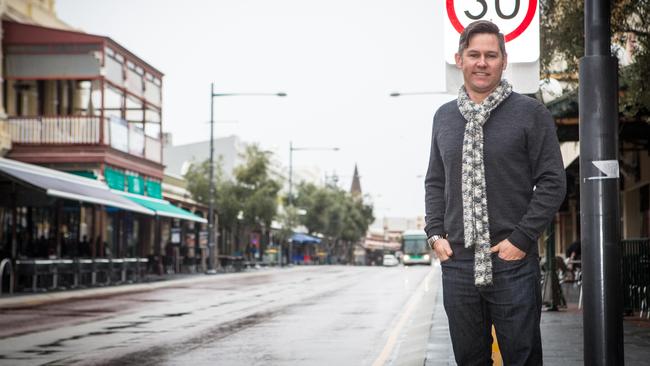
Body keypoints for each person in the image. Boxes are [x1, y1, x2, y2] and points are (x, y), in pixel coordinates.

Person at [424, 20, 566, 365]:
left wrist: (521, 239)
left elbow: (552, 182)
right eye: (474, 54)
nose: (481, 62)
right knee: (469, 360)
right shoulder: (443, 117)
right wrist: (434, 234)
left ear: (504, 60)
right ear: (460, 59)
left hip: (512, 262)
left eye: (490, 55)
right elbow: (435, 181)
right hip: (457, 263)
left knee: (522, 357)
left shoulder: (530, 113)